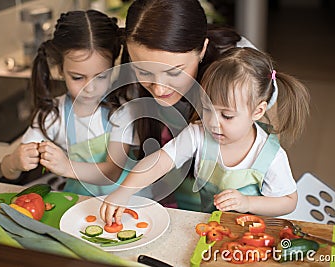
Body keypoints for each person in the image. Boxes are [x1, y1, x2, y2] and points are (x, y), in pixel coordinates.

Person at [100, 47, 310, 224]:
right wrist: (124, 191)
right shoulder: (198, 133)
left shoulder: (270, 155)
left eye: (227, 116)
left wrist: (247, 203)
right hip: (212, 226)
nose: (213, 123)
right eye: (207, 109)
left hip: (253, 234)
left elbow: (288, 201)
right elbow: (160, 161)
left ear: (257, 111)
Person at [116, 0, 256, 210]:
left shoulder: (242, 74)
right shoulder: (128, 75)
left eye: (174, 72)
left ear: (203, 49)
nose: (160, 89)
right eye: (144, 72)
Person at [1, 10, 136, 196]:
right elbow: (8, 173)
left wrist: (67, 167)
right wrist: (15, 163)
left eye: (101, 76)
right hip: (80, 203)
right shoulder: (53, 115)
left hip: (130, 202)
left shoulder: (121, 111)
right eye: (78, 77)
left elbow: (112, 172)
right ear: (60, 70)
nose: (90, 88)